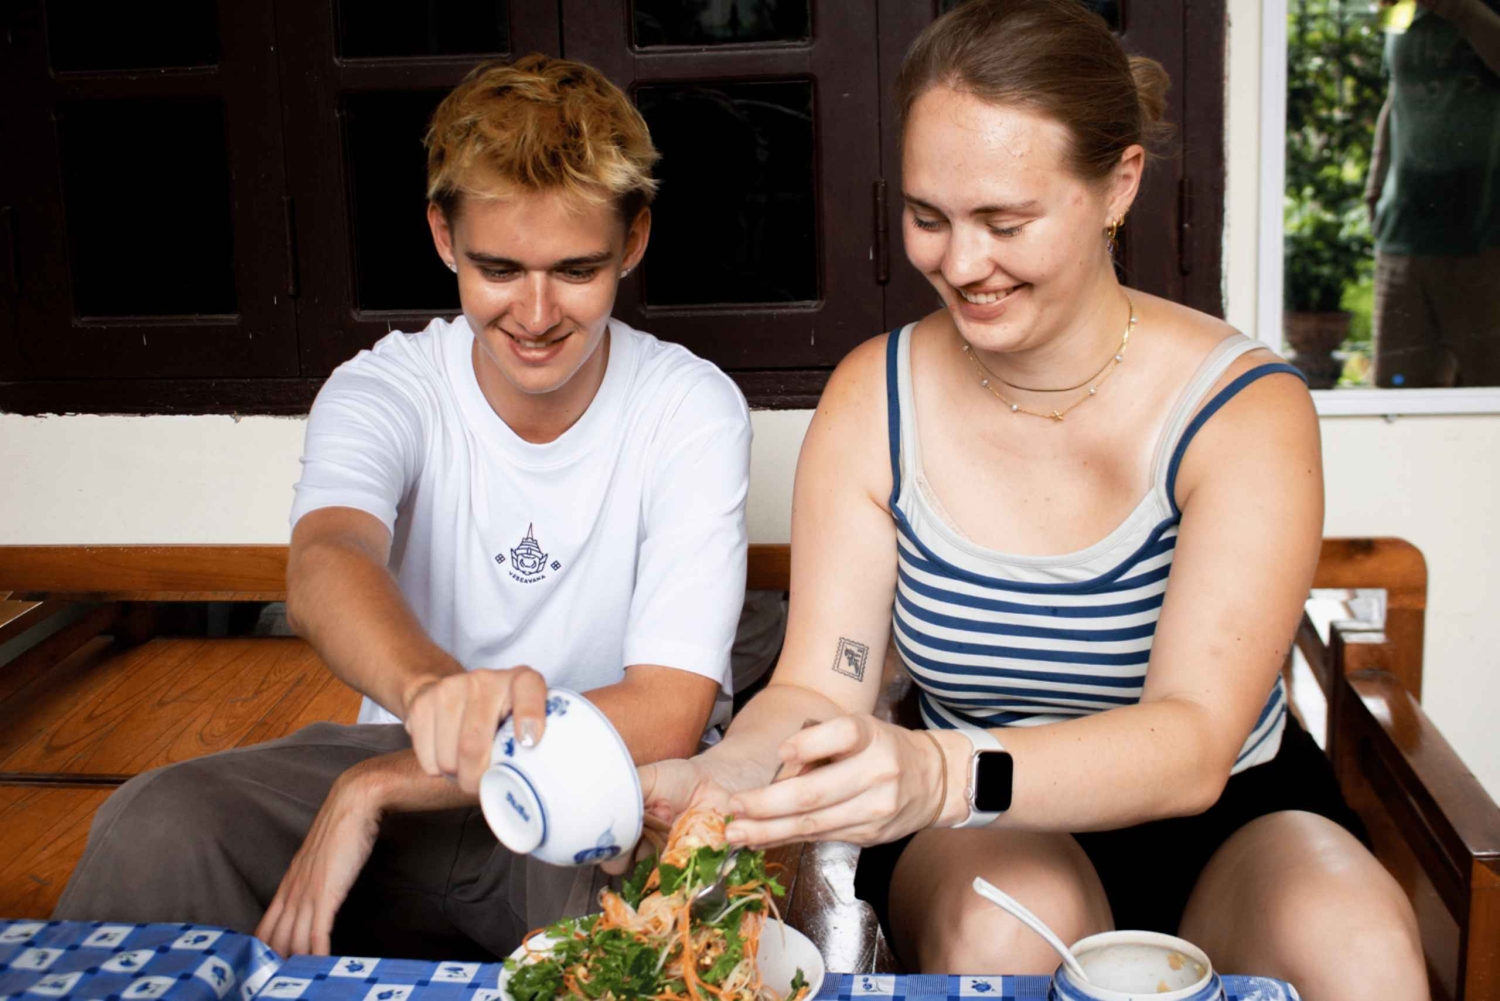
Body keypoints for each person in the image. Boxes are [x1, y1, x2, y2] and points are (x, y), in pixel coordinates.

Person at [637, 2, 1427, 998]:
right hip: (985, 829)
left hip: (1227, 814)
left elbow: (1191, 742)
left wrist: (937, 768)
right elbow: (821, 686)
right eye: (929, 218)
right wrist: (723, 777)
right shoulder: (875, 398)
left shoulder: (1241, 407)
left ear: (1119, 184)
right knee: (1005, 929)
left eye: (1006, 223)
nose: (962, 265)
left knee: (1360, 945)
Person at [53, 54, 753, 962]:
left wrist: (382, 782)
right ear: (443, 237)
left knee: (643, 899)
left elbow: (665, 714)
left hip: (597, 784)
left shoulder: (691, 406)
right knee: (155, 821)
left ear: (634, 242)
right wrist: (431, 696)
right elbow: (327, 559)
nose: (537, 312)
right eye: (499, 268)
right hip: (407, 758)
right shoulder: (385, 386)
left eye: (576, 269)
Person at [1366, 0, 1500, 387]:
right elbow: (1398, 91)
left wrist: (1457, 7)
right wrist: (1376, 184)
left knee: (1488, 401)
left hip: (1485, 242)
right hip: (1404, 236)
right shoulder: (1404, 10)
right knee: (1397, 397)